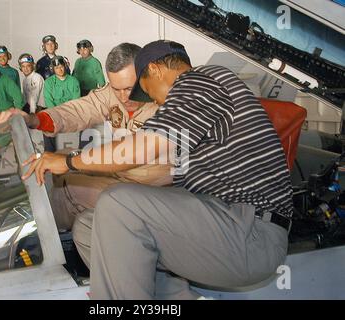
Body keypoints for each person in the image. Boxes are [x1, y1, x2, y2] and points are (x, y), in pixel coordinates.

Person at [19, 40, 293, 299]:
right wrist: (37, 121)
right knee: (90, 227)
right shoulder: (197, 99)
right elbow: (85, 109)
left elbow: (143, 149)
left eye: (146, 91)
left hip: (250, 233)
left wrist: (67, 161)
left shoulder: (202, 80)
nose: (153, 101)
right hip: (222, 220)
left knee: (119, 204)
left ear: (155, 69)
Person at [0, 43, 173, 261]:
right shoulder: (114, 93)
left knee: (72, 190)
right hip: (126, 179)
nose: (123, 97)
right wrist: (34, 119)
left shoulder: (168, 101)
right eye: (116, 88)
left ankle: (36, 252)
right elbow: (79, 110)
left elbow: (133, 152)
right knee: (61, 178)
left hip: (158, 192)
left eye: (129, 88)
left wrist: (70, 161)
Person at [43, 55, 80, 152]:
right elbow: (49, 101)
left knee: (86, 122)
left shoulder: (74, 81)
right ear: (53, 69)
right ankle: (49, 153)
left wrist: (67, 115)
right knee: (46, 126)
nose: (60, 69)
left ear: (65, 66)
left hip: (71, 113)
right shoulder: (48, 83)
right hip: (55, 113)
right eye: (57, 68)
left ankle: (83, 152)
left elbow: (75, 101)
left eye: (61, 66)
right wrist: (57, 115)